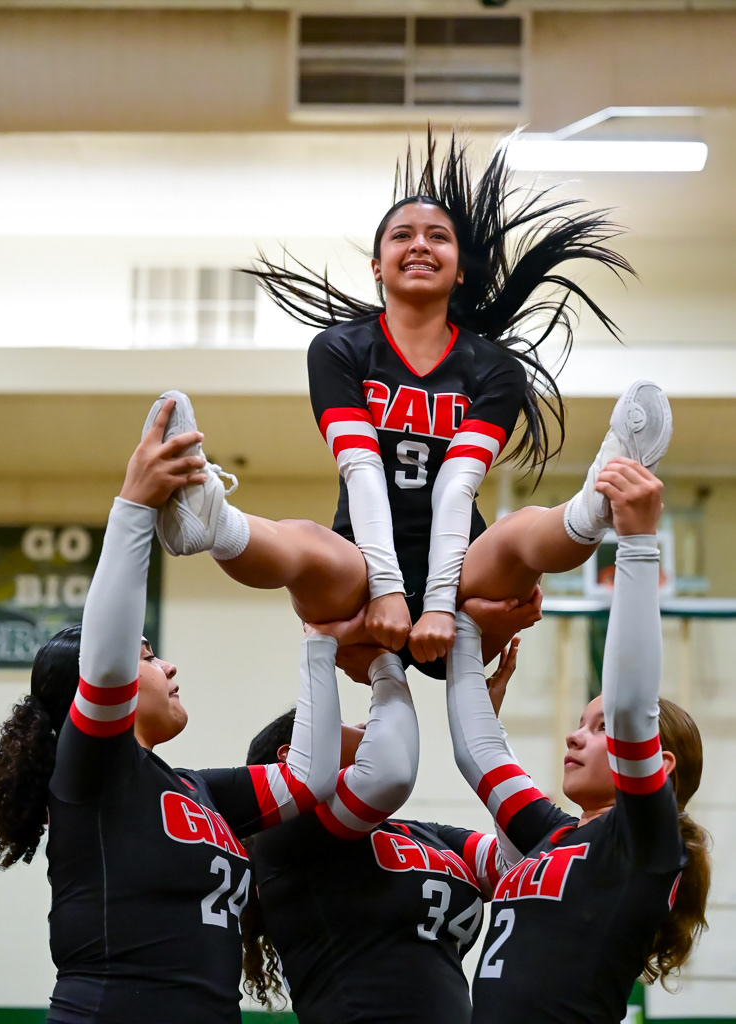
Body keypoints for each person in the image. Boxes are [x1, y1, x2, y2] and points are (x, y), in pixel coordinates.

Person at [147, 134, 639, 677]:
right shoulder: (339, 349)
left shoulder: (495, 368)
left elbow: (457, 484)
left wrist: (437, 603)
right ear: (378, 267)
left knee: (519, 529)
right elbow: (361, 469)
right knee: (305, 542)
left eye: (438, 237)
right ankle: (213, 522)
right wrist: (385, 590)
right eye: (402, 235)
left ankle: (596, 503)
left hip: (462, 578)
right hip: (360, 572)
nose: (420, 244)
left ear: (460, 269)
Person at [0, 398, 344, 1024]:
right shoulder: (89, 773)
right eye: (149, 656)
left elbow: (310, 777)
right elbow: (107, 668)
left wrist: (320, 637)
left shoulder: (198, 790)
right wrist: (135, 505)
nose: (169, 667)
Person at [446, 457, 711, 1023]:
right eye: (582, 723)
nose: (573, 736)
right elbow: (478, 754)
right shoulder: (553, 836)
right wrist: (465, 625)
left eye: (599, 728)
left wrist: (636, 542)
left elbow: (631, 708)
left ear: (658, 766)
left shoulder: (643, 839)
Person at [239, 638, 522, 1024]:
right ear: (295, 757)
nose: (361, 725)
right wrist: (383, 663)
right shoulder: (288, 834)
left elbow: (518, 867)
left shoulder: (421, 834)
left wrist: (487, 731)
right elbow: (391, 774)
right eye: (339, 724)